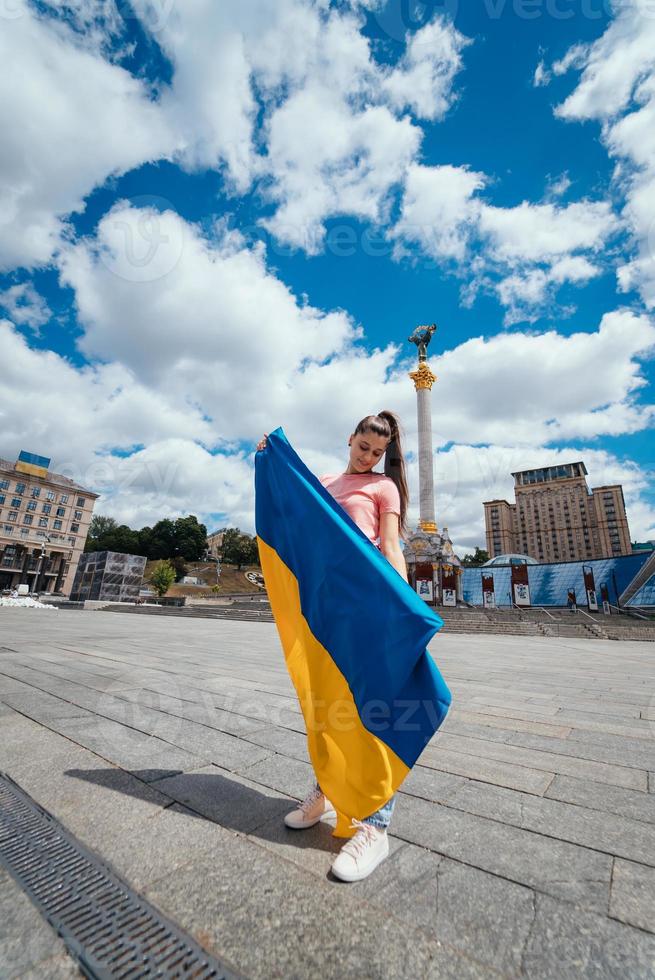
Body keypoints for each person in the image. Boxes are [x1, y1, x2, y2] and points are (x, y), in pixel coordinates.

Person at [257, 410, 409, 882]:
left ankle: (375, 826)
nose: (369, 457)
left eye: (378, 453)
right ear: (350, 439)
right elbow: (298, 522)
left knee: (369, 710)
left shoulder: (385, 488)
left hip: (365, 601)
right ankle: (327, 790)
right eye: (364, 447)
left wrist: (400, 604)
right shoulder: (324, 482)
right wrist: (271, 461)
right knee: (326, 705)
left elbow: (389, 545)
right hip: (324, 608)